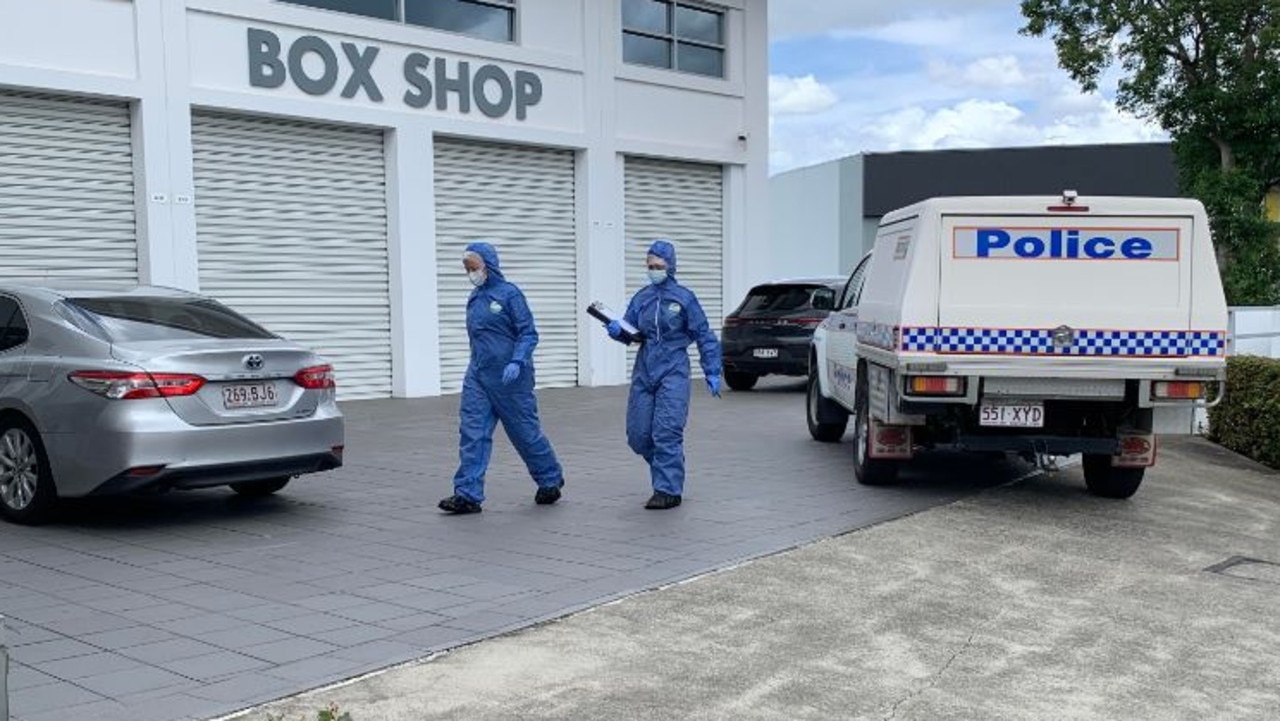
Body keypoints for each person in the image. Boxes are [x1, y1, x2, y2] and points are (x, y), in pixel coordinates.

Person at [438, 242, 566, 515]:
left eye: (473, 267)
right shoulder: (475, 297)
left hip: (512, 378)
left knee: (524, 433)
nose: (470, 273)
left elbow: (528, 333)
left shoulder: (510, 295)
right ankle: (467, 494)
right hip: (479, 376)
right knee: (472, 433)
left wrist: (518, 361)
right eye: (467, 268)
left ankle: (550, 479)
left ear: (489, 265)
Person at [606, 239, 723, 510]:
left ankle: (668, 489)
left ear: (670, 266)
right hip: (645, 369)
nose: (653, 269)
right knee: (638, 435)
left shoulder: (684, 298)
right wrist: (617, 331)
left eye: (658, 265)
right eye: (650, 265)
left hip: (673, 370)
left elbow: (704, 335)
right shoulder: (642, 297)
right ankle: (667, 467)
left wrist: (712, 370)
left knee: (666, 431)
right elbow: (632, 331)